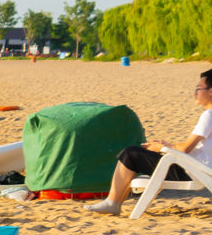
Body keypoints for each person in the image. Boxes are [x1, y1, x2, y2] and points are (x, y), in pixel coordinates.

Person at [88, 67, 212, 214]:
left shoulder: (208, 116)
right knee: (136, 154)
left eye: (199, 88)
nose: (195, 92)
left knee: (130, 153)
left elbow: (186, 148)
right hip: (196, 168)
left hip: (190, 171)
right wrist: (166, 146)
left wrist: (159, 147)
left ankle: (113, 202)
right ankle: (114, 202)